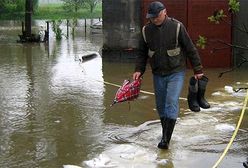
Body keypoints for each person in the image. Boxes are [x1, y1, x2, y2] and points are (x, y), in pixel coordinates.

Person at [132, 1, 204, 149]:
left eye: (156, 16)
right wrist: (139, 69)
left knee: (171, 101)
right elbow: (141, 53)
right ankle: (166, 132)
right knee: (160, 106)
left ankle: (165, 140)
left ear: (164, 12)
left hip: (176, 72)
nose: (154, 19)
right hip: (158, 73)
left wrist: (198, 70)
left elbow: (190, 49)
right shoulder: (146, 30)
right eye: (151, 17)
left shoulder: (177, 27)